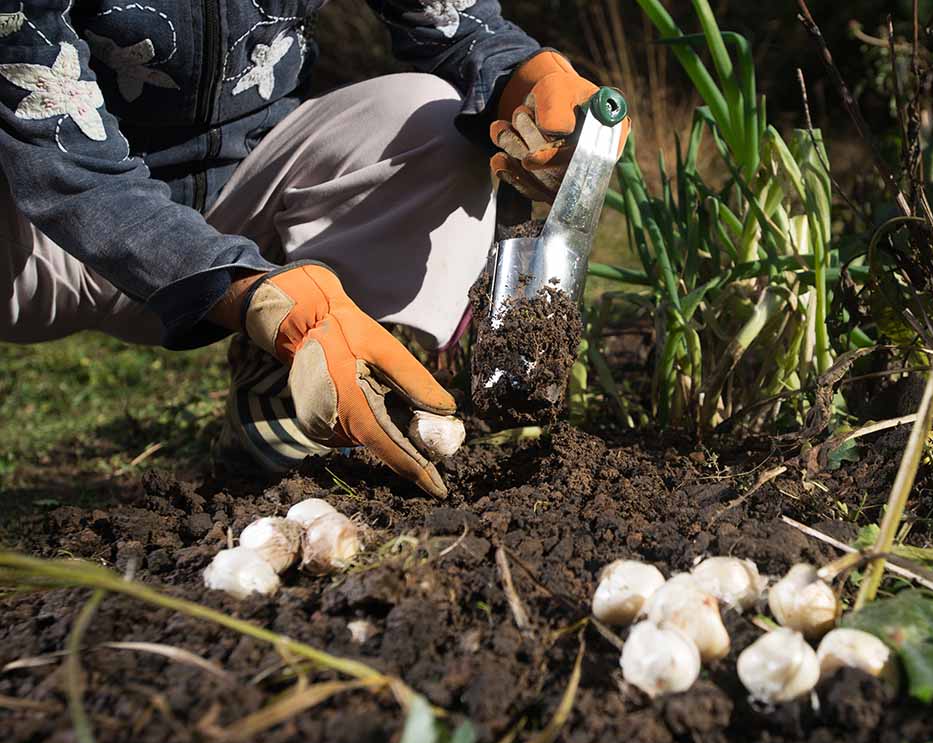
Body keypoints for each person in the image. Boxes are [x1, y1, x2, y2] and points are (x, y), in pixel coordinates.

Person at [0, 1, 629, 499]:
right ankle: (283, 330)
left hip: (242, 202)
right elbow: (56, 153)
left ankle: (280, 389)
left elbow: (456, 27)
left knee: (426, 115)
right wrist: (245, 289)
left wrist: (524, 74)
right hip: (38, 239)